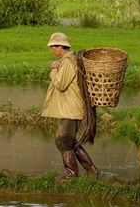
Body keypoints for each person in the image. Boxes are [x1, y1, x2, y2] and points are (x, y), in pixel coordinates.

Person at [41, 32, 99, 180]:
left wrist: (54, 69)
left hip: (71, 109)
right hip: (71, 108)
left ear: (61, 46)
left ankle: (72, 175)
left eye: (53, 47)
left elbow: (60, 84)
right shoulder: (70, 60)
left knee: (62, 140)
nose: (52, 50)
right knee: (69, 141)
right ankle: (92, 170)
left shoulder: (67, 62)